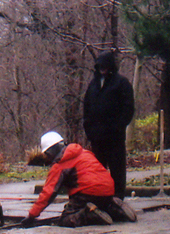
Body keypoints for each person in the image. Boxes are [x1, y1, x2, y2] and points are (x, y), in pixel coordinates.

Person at [21, 131, 137, 228]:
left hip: (87, 193)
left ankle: (89, 215)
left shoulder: (60, 164)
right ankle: (114, 208)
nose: (48, 157)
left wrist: (32, 215)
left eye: (47, 154)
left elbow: (48, 193)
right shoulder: (84, 153)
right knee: (101, 206)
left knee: (66, 220)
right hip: (108, 191)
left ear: (50, 151)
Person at [83, 51, 135, 200]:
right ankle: (100, 197)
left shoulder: (121, 83)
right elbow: (86, 107)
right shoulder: (93, 85)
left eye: (105, 66)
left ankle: (118, 198)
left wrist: (118, 127)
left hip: (114, 137)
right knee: (98, 170)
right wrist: (89, 129)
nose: (102, 69)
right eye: (100, 67)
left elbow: (128, 108)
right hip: (97, 137)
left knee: (117, 169)